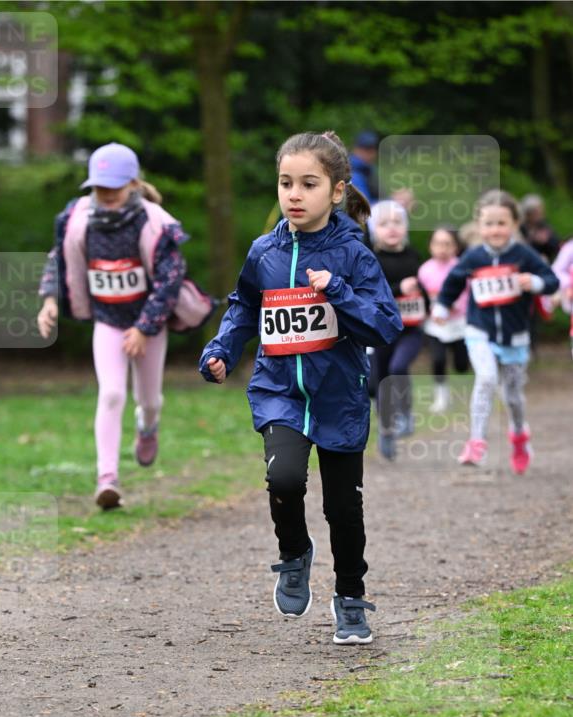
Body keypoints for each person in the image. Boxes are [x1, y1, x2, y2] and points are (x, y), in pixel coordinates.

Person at [199, 131, 402, 645]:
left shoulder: (353, 255)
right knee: (285, 479)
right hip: (279, 391)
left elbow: (384, 325)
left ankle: (350, 598)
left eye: (308, 184)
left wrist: (336, 292)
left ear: (335, 192)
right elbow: (244, 305)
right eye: (286, 183)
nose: (293, 194)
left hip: (339, 396)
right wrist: (221, 348)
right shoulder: (264, 251)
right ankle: (294, 553)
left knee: (343, 509)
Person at [37, 142, 187, 509]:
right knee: (112, 393)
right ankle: (107, 479)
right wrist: (50, 300)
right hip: (107, 321)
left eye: (113, 188)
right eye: (98, 188)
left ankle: (147, 426)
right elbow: (58, 258)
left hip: (147, 322)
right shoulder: (79, 218)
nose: (105, 195)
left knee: (148, 400)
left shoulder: (154, 222)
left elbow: (170, 280)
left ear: (133, 184)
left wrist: (144, 328)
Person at [433, 189, 559, 473]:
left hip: (515, 337)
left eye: (502, 223)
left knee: (513, 397)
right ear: (479, 226)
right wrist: (442, 306)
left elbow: (551, 281)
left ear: (514, 224)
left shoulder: (524, 255)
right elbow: (453, 281)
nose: (495, 229)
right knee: (487, 378)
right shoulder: (473, 257)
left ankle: (518, 435)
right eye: (489, 223)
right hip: (479, 331)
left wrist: (534, 282)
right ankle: (477, 440)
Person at [367, 200, 428, 459]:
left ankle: (405, 413)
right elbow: (371, 293)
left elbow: (426, 291)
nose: (391, 228)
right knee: (381, 380)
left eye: (397, 222)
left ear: (406, 227)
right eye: (383, 224)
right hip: (381, 331)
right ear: (373, 230)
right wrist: (398, 289)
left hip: (411, 329)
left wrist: (431, 304)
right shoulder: (370, 258)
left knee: (398, 368)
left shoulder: (414, 256)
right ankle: (387, 429)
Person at [418, 228, 469, 413]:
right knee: (438, 359)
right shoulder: (424, 270)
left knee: (461, 365)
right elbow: (421, 296)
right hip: (434, 325)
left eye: (447, 244)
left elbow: (467, 294)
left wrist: (453, 306)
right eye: (438, 243)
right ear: (431, 246)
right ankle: (441, 396)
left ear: (455, 247)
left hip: (458, 323)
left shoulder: (461, 267)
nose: (442, 248)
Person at [519, 194, 560, 263]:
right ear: (527, 214)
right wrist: (532, 239)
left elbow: (557, 246)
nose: (541, 214)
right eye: (536, 212)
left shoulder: (543, 225)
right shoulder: (520, 227)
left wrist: (548, 240)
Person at [349, 130, 380, 205]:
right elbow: (364, 206)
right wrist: (392, 201)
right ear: (355, 149)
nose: (371, 154)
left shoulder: (369, 168)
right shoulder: (352, 172)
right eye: (366, 149)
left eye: (373, 149)